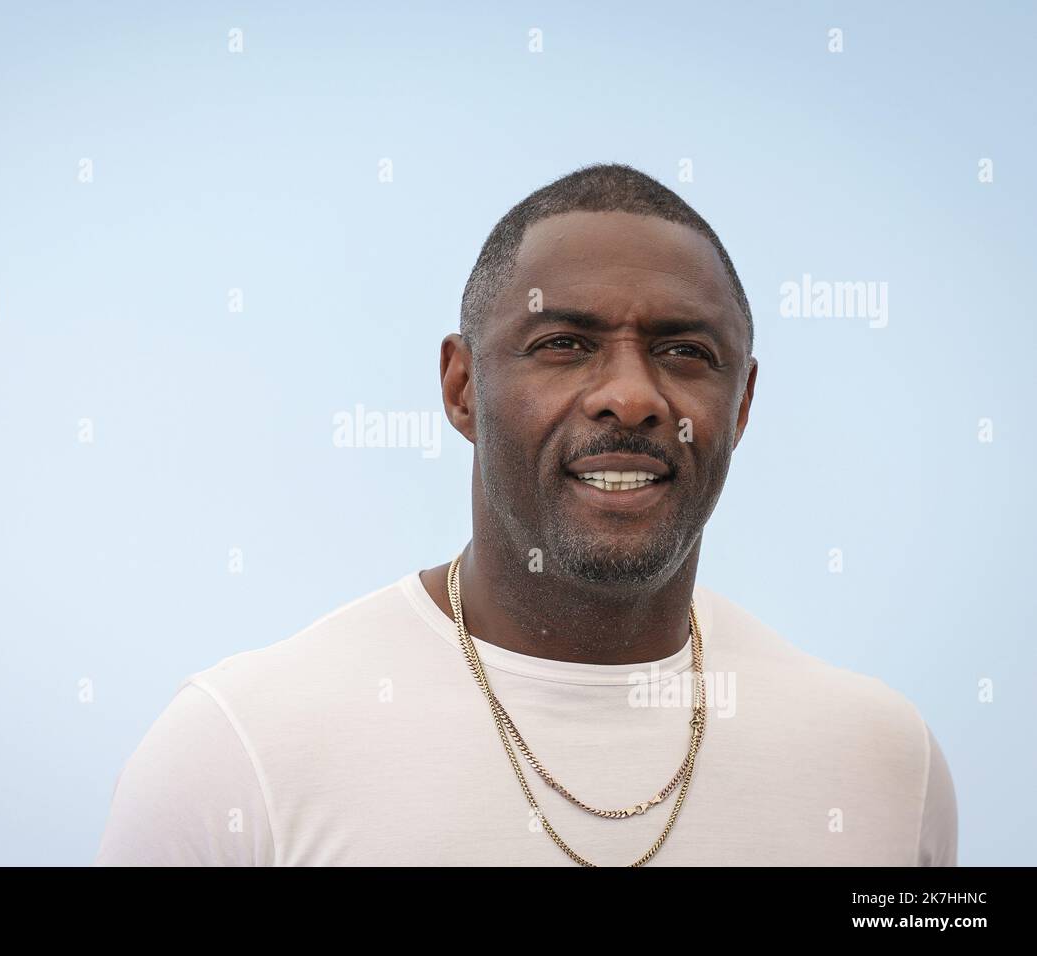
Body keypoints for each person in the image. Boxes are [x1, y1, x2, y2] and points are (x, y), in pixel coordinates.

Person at [95, 163, 957, 866]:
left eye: (684, 351)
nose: (629, 396)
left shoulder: (881, 758)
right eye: (563, 345)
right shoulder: (238, 747)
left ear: (741, 404)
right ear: (462, 388)